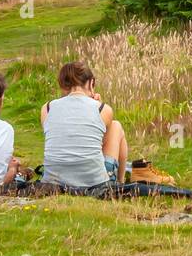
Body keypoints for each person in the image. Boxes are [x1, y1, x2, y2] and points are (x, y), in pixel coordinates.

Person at [40, 62, 128, 190]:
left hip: (53, 181)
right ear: (91, 82)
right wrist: (97, 104)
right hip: (94, 182)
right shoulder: (103, 109)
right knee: (116, 126)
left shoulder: (47, 108)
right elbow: (101, 142)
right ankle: (119, 182)